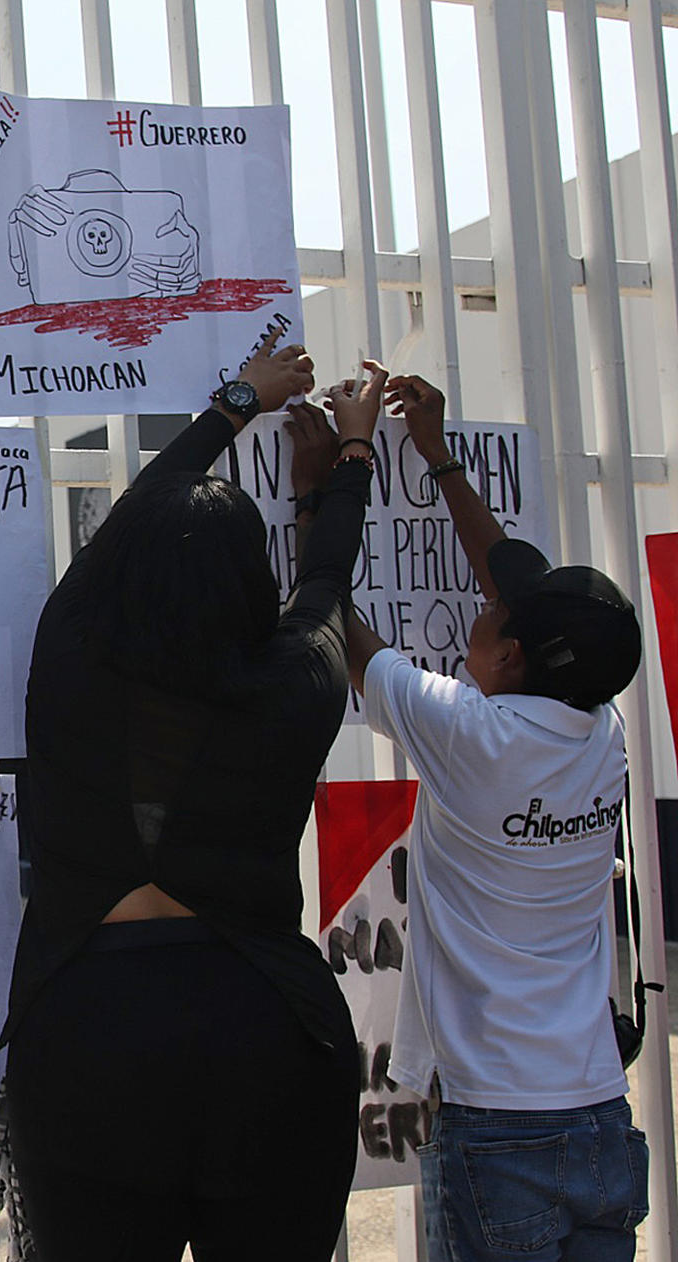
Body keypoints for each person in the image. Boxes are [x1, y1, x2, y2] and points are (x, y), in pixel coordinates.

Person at [0, 336, 377, 1261]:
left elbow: (133, 518)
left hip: (90, 1034)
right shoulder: (292, 687)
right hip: (266, 1033)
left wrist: (238, 401)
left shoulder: (69, 658)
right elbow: (326, 582)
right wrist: (350, 457)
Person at [341, 373, 649, 1261]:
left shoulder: (469, 734)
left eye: (489, 614)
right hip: (595, 1113)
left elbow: (349, 631)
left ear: (510, 656)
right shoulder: (602, 732)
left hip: (496, 1125)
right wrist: (438, 457)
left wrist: (342, 470)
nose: (478, 601)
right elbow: (509, 573)